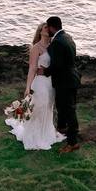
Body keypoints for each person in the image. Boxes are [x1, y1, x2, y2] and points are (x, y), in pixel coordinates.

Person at [5, 22, 66, 150]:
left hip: (51, 84)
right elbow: (32, 69)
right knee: (39, 107)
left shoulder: (54, 46)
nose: (47, 29)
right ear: (40, 32)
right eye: (45, 28)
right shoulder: (36, 48)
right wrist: (27, 87)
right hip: (40, 83)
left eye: (49, 28)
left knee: (48, 107)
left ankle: (45, 134)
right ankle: (34, 135)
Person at [37, 16, 81, 153]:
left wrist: (45, 71)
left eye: (47, 28)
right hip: (72, 78)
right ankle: (62, 128)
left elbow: (57, 65)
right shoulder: (67, 37)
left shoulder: (57, 43)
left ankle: (72, 142)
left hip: (65, 81)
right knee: (63, 107)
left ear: (51, 27)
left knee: (69, 111)